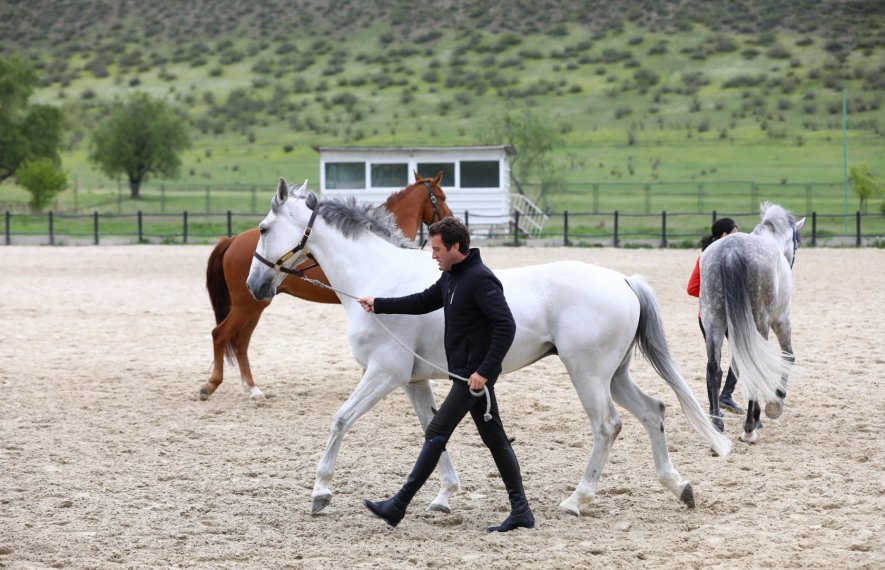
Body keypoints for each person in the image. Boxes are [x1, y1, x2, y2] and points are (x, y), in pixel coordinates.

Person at [357, 217, 534, 533]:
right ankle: (521, 511)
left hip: (473, 379)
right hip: (465, 374)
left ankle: (397, 505)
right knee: (494, 438)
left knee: (436, 431)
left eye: (437, 249)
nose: (433, 254)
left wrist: (485, 371)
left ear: (455, 247)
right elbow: (423, 301)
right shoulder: (451, 277)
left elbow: (506, 326)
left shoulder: (480, 279)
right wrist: (379, 304)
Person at [687, 217, 743, 415]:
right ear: (725, 236)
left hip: (707, 317)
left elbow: (692, 288)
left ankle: (718, 404)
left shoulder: (705, 257)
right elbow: (691, 288)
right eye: (735, 233)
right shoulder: (735, 258)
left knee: (714, 361)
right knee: (741, 354)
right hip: (732, 316)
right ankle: (725, 395)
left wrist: (712, 297)